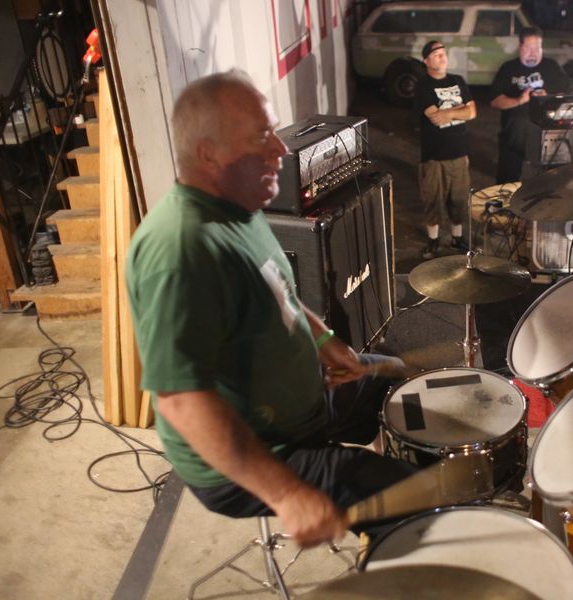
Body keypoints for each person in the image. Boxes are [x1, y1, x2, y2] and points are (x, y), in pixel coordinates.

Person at [125, 70, 416, 547]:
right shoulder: (180, 251)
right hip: (257, 451)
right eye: (262, 137)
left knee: (399, 379)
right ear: (209, 154)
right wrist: (286, 493)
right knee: (407, 499)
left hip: (308, 400)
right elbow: (181, 401)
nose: (281, 150)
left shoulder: (238, 206)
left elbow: (278, 292)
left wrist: (324, 340)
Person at [414, 40, 477, 259]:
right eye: (437, 55)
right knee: (433, 198)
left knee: (459, 198)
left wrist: (448, 112)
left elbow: (472, 112)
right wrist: (459, 110)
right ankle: (433, 240)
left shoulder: (458, 80)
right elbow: (435, 117)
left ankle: (457, 238)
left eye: (444, 53)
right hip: (434, 155)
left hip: (459, 152)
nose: (443, 58)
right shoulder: (423, 85)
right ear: (426, 61)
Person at [490, 27, 569, 184]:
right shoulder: (508, 68)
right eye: (528, 48)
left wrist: (548, 96)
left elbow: (568, 94)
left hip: (547, 139)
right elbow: (494, 101)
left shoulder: (552, 67)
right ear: (520, 47)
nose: (533, 53)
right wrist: (519, 100)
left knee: (549, 183)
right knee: (507, 184)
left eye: (537, 48)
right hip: (514, 139)